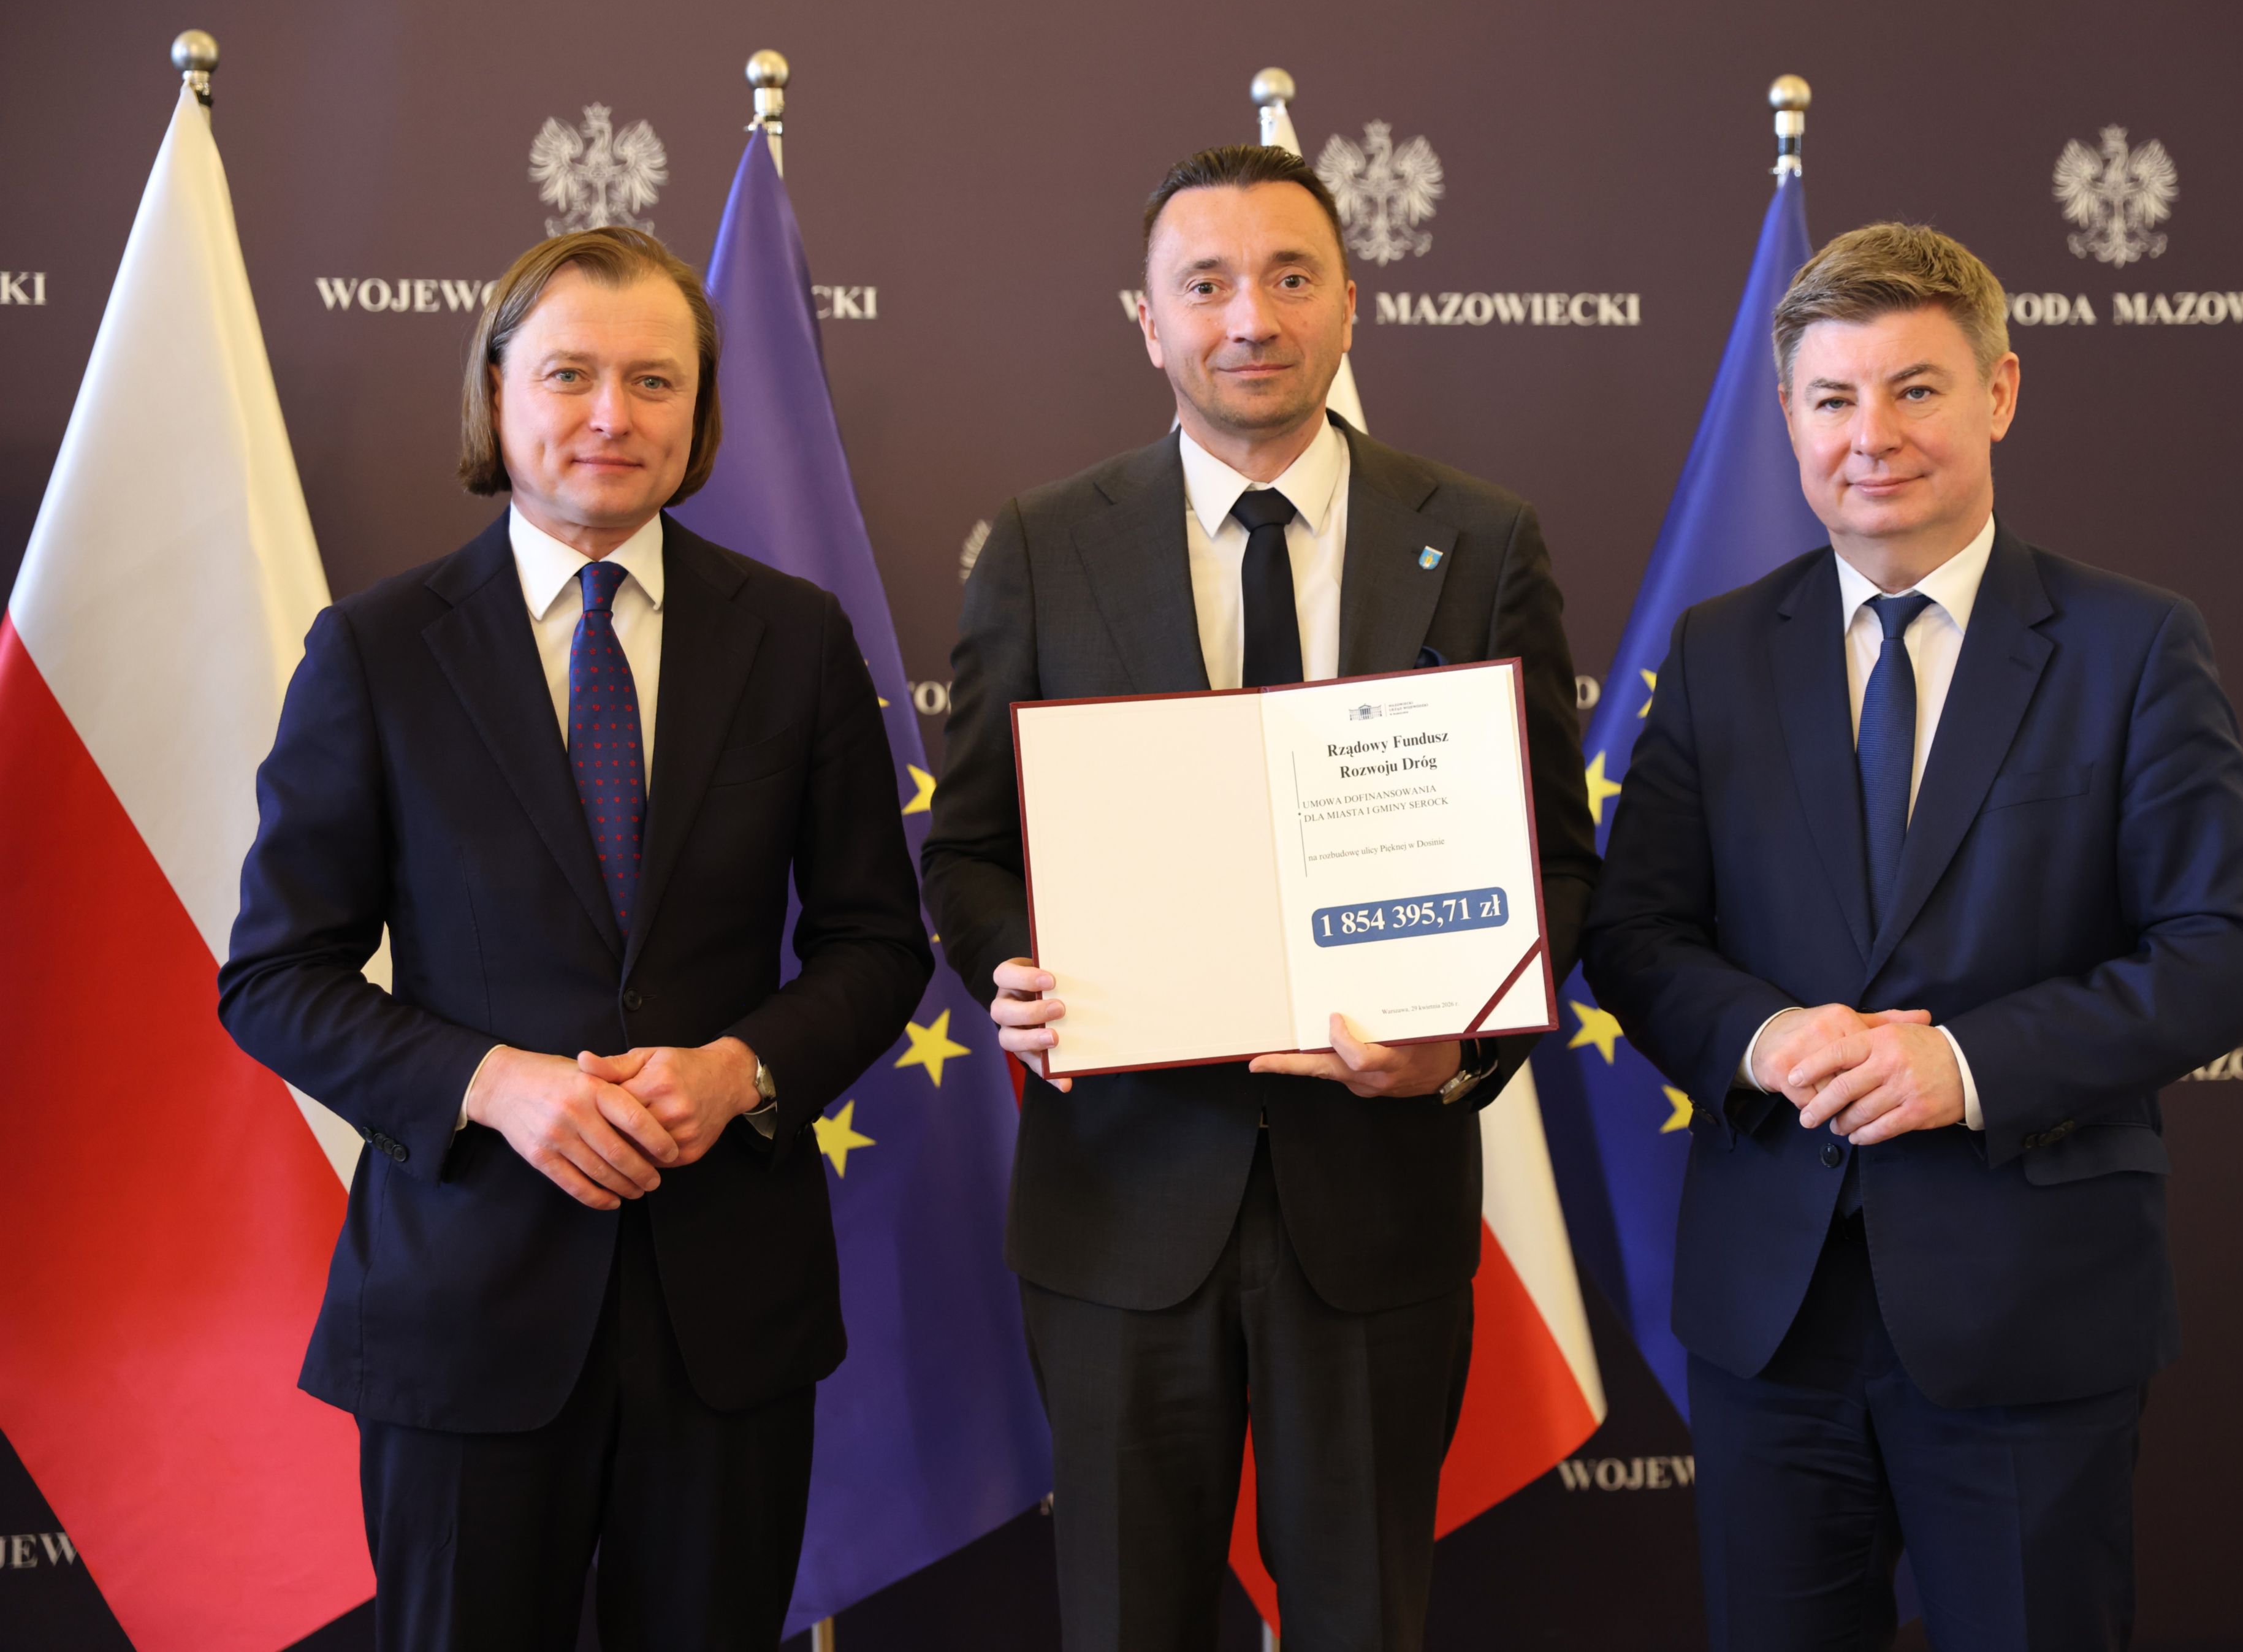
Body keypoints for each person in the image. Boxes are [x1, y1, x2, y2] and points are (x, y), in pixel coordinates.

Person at [921, 144, 1596, 1651]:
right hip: (1117, 1208)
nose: (1250, 317)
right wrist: (1011, 967)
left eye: (1290, 277)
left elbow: (1555, 860)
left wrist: (1460, 1047)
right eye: (1206, 283)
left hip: (1376, 1207)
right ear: (1145, 320)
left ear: (1350, 303)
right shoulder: (1039, 543)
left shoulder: (1481, 539)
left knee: (1360, 1620)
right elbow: (966, 849)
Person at [218, 226, 931, 1651]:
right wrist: (493, 1083)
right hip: (465, 1310)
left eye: (654, 380)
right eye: (569, 374)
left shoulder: (795, 639)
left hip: (726, 1315)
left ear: (698, 411)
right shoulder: (376, 649)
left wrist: (743, 1068)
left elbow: (875, 942)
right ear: (495, 394)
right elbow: (276, 975)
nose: (612, 413)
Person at [1582, 223, 2243, 1651]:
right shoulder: (1716, 652)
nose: (1871, 436)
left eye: (1914, 389)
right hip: (1771, 1317)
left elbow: (2226, 944)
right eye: (1831, 398)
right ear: (1787, 416)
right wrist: (1762, 1036)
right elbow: (1636, 927)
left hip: (2027, 1307)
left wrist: (1962, 1064)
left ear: (1998, 392)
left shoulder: (2131, 645)